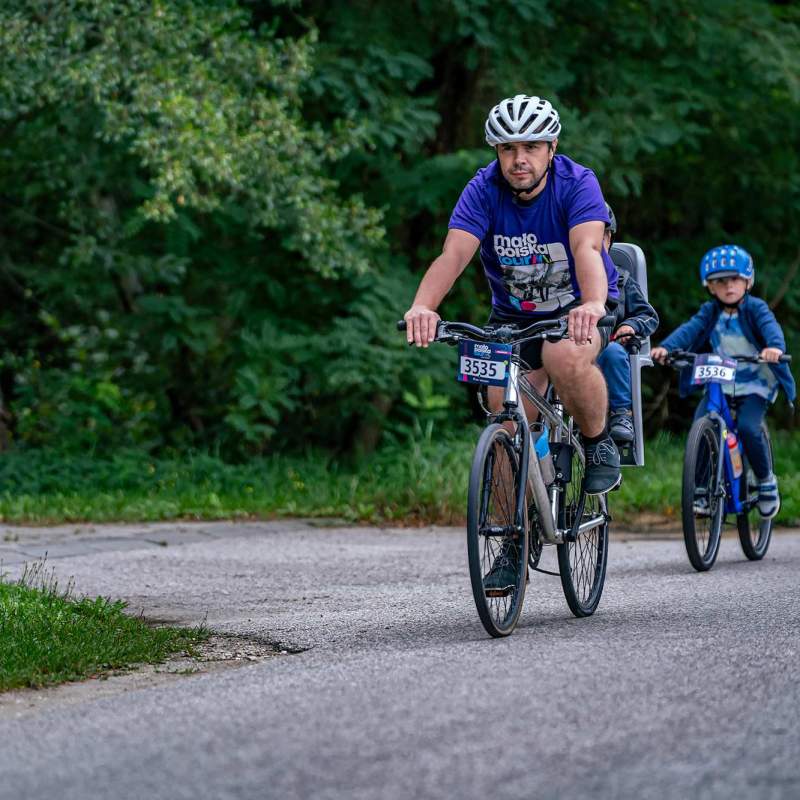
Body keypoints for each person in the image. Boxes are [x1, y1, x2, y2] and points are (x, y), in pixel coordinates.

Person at [403, 94, 622, 496]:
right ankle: (509, 530)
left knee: (563, 355)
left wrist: (593, 302)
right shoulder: (483, 189)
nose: (519, 159)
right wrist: (423, 306)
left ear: (551, 148)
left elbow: (587, 248)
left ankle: (597, 442)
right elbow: (454, 255)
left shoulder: (577, 183)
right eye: (508, 149)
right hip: (513, 317)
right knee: (504, 421)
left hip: (579, 306)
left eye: (531, 147)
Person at [651, 245, 795, 518]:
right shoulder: (710, 311)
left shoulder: (755, 308)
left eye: (735, 279)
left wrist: (774, 348)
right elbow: (690, 329)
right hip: (721, 380)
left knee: (749, 427)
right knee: (701, 427)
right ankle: (701, 490)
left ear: (748, 281)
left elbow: (770, 327)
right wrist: (667, 348)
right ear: (709, 286)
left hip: (755, 384)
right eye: (720, 281)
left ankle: (765, 481)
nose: (728, 286)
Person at [596, 203, 659, 444]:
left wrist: (630, 326)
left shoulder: (622, 279)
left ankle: (621, 414)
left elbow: (647, 315)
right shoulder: (561, 278)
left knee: (612, 352)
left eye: (598, 234)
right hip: (567, 346)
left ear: (609, 238)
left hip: (607, 346)